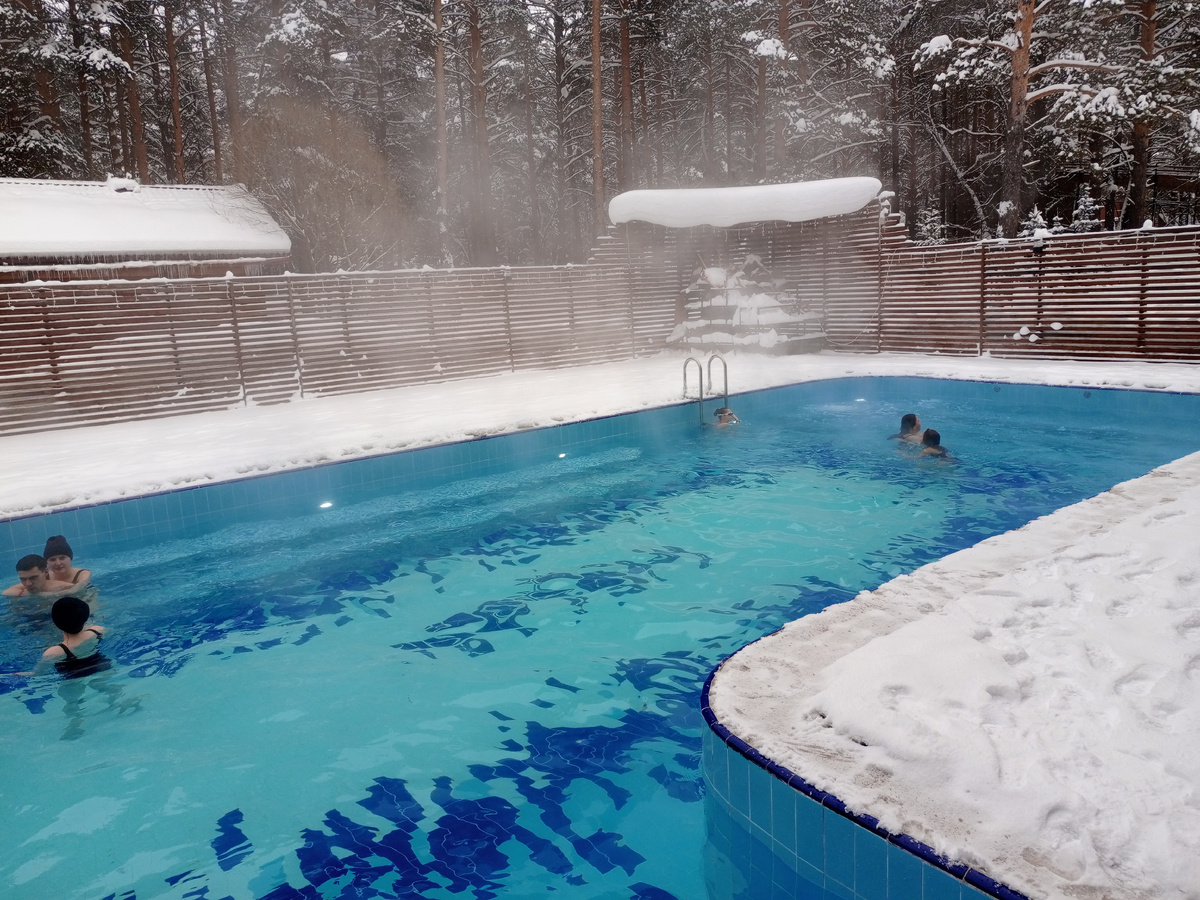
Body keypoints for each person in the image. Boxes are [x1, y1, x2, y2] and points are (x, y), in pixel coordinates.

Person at [5, 596, 109, 678]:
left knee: (71, 703)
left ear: (56, 623)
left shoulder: (55, 652)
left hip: (73, 679)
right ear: (85, 617)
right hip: (100, 666)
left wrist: (13, 675)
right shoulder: (98, 630)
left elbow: (37, 673)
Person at [3, 554, 74, 597]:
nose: (28, 584)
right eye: (23, 579)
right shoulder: (17, 592)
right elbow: (5, 593)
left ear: (46, 572)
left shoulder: (66, 588)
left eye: (33, 578)